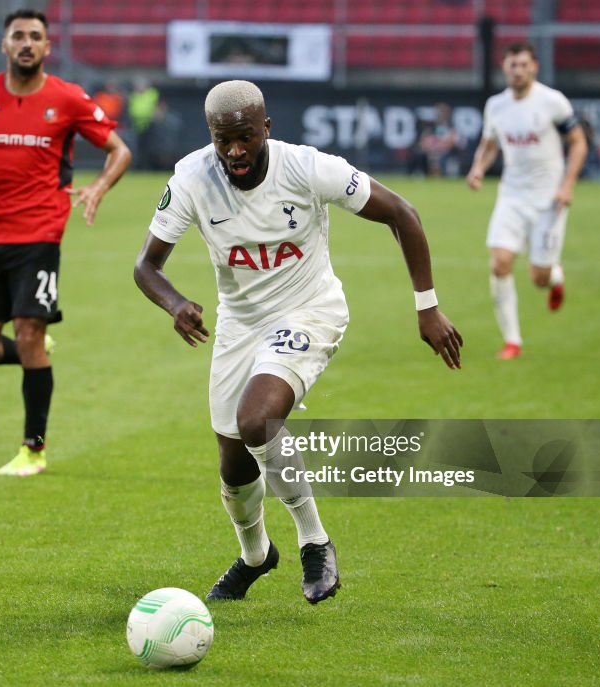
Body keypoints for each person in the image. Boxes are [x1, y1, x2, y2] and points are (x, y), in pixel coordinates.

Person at [134, 80, 462, 604]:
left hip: (310, 310)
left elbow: (403, 214)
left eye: (245, 137)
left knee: (257, 418)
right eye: (223, 140)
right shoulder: (192, 177)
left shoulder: (308, 167)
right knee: (234, 460)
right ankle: (256, 556)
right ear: (211, 136)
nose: (235, 151)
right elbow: (146, 266)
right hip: (240, 324)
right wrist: (176, 304)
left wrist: (428, 308)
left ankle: (315, 540)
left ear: (266, 128)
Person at [0, 8, 131, 477]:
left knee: (28, 334)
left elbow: (119, 150)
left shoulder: (66, 97)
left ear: (47, 48)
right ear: (4, 46)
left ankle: (33, 448)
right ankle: (36, 346)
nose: (27, 43)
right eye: (18, 36)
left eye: (35, 37)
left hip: (40, 235)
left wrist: (98, 188)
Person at [467, 42, 587, 360]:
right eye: (512, 65)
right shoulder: (496, 105)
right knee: (500, 262)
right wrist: (478, 169)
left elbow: (578, 143)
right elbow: (489, 143)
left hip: (549, 201)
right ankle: (512, 341)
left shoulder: (552, 102)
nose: (517, 70)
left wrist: (567, 186)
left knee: (539, 277)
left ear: (534, 67)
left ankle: (555, 278)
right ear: (504, 68)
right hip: (512, 196)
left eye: (523, 64)